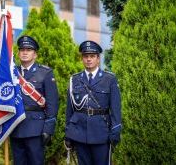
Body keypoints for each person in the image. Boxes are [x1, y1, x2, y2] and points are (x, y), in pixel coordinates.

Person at [64, 40, 121, 165]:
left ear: (98, 59)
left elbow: (115, 109)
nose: (88, 59)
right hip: (80, 133)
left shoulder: (109, 79)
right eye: (86, 56)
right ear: (82, 58)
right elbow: (70, 109)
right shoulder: (75, 79)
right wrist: (68, 133)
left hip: (101, 133)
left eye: (92, 56)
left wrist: (115, 131)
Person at [10, 35, 59, 165]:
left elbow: (52, 104)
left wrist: (48, 129)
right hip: (15, 126)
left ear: (35, 54)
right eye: (22, 50)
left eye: (29, 50)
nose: (25, 52)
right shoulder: (11, 73)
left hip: (35, 128)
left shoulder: (45, 73)